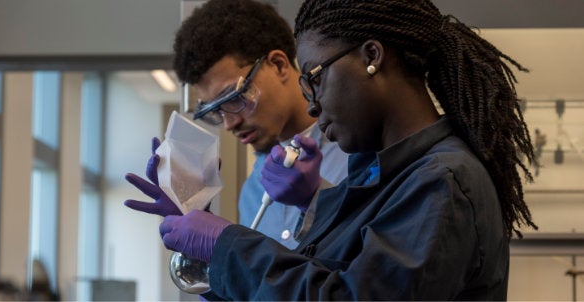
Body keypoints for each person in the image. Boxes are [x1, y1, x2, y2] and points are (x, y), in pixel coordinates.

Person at [145, 0, 541, 300]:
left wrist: (227, 246)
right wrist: (315, 203)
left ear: (371, 57)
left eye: (315, 79)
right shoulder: (388, 177)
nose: (313, 105)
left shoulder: (443, 181)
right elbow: (317, 281)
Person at [123, 0, 348, 249]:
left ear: (278, 65)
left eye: (236, 97)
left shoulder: (356, 152)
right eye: (216, 110)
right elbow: (262, 286)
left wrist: (318, 200)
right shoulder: (254, 190)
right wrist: (213, 254)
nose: (230, 124)